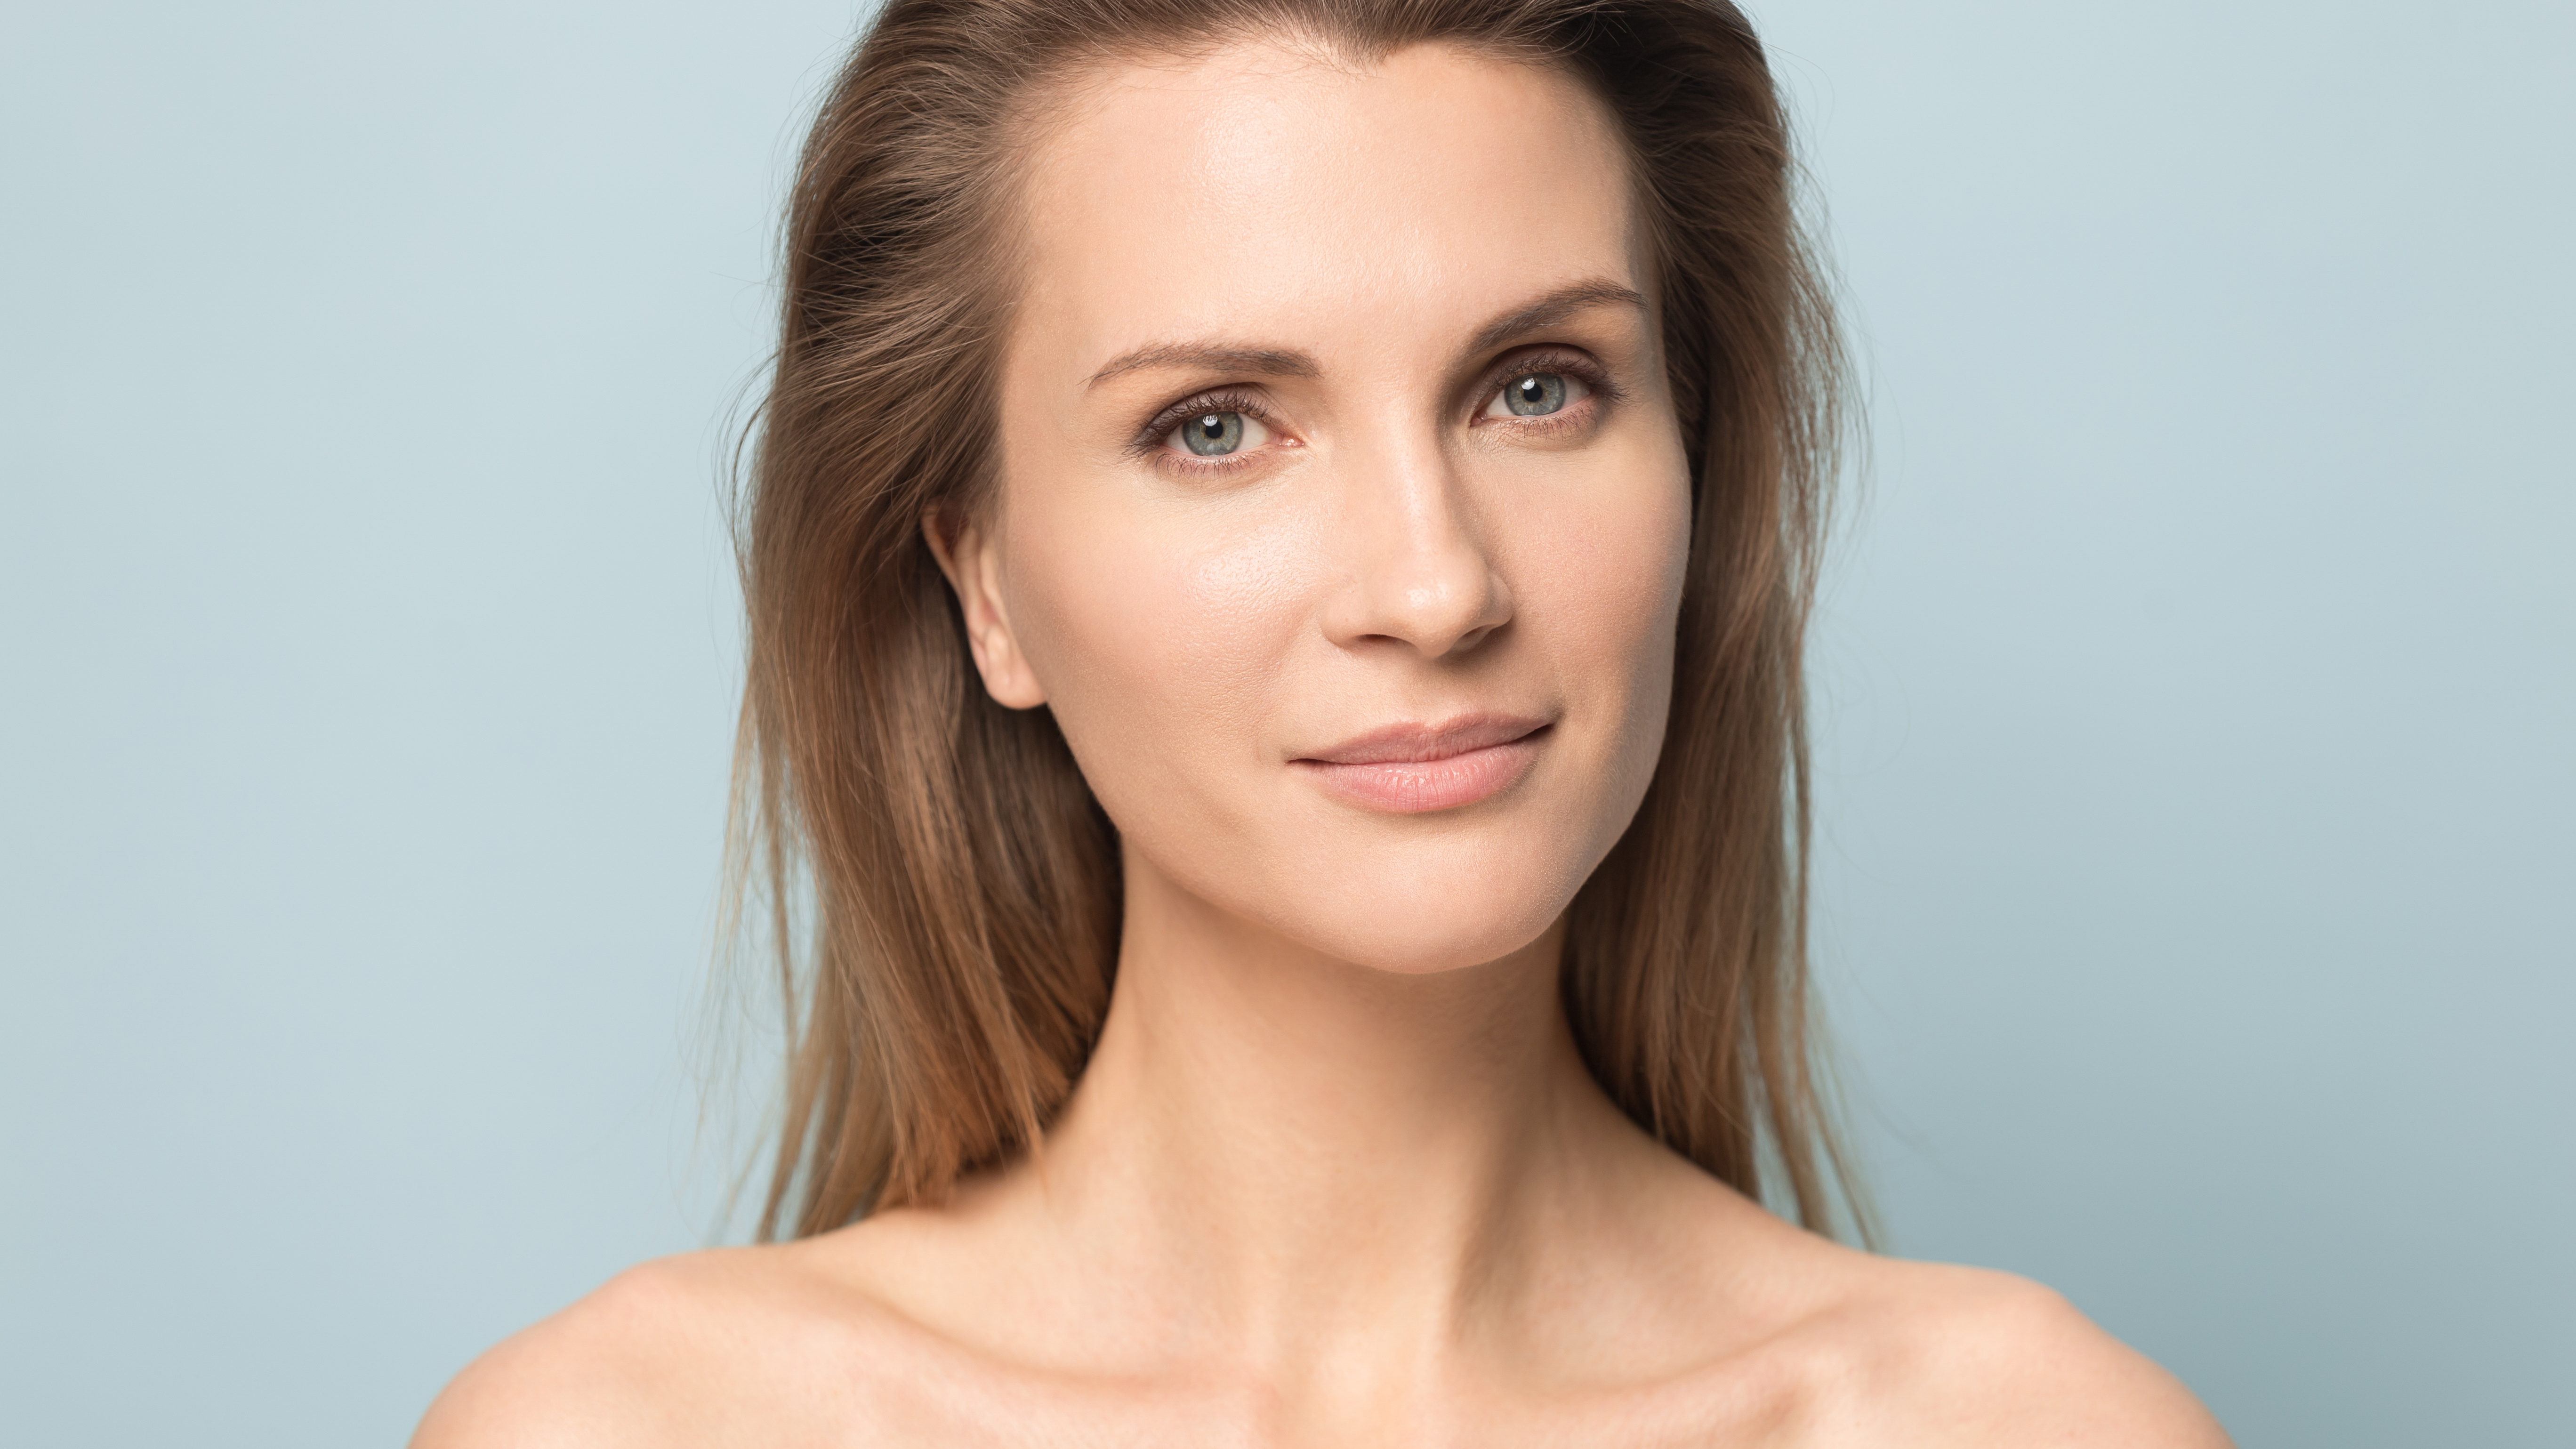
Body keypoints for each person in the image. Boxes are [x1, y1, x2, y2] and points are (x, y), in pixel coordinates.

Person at [416, 0, 2232, 1442]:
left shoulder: (2037, 1430)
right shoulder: (631, 1431)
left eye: (1539, 388)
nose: (1437, 589)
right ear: (983, 585)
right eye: (1215, 426)